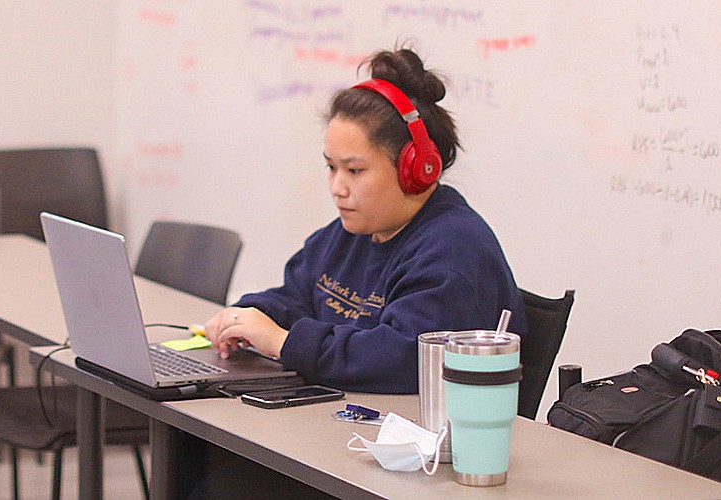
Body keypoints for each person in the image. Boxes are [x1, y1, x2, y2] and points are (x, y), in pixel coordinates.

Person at [203, 47, 527, 394]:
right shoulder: (353, 231)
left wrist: (283, 343)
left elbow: (400, 359)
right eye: (331, 167)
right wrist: (245, 316)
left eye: (355, 170)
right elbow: (297, 297)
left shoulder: (454, 251)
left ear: (416, 169)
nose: (337, 188)